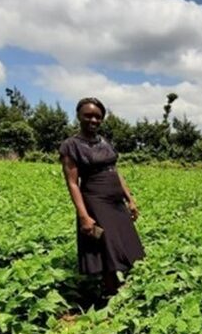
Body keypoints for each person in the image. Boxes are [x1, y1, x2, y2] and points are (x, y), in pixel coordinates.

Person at [60, 97, 144, 296]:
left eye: (98, 117)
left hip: (116, 202)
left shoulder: (104, 142)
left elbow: (114, 171)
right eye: (88, 116)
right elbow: (72, 183)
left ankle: (127, 289)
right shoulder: (71, 145)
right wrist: (83, 216)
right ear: (78, 116)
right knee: (107, 247)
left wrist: (129, 199)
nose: (93, 120)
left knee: (127, 243)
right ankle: (110, 293)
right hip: (96, 201)